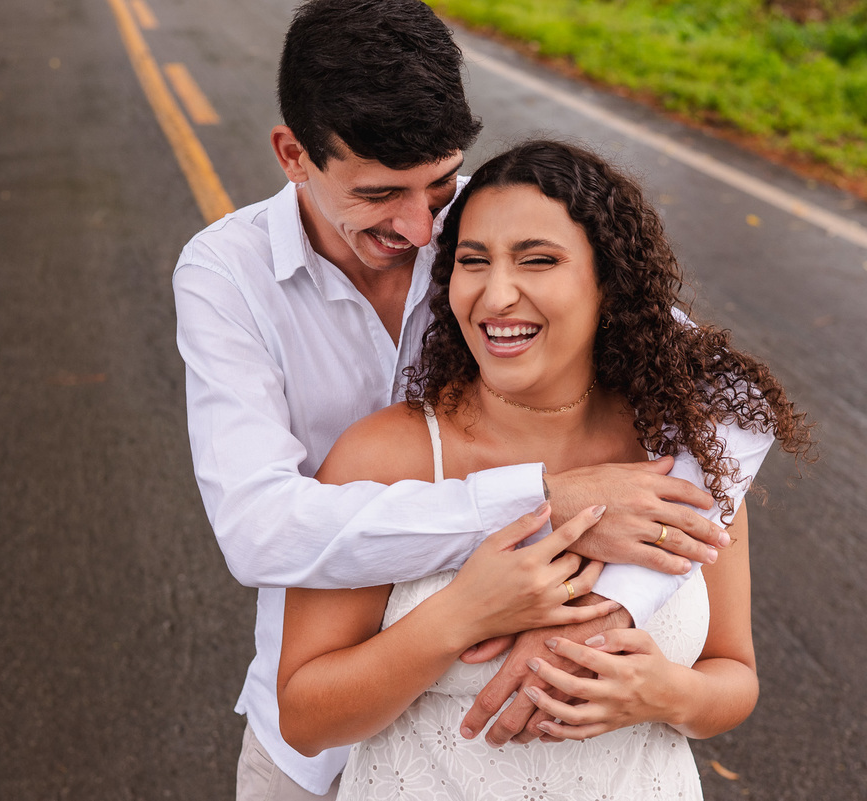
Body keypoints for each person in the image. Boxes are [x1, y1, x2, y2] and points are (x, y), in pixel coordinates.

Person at [173, 2, 736, 798]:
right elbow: (259, 529)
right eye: (379, 195)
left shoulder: (493, 231)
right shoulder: (224, 277)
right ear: (293, 155)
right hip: (311, 739)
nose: (418, 226)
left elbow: (725, 394)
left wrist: (620, 610)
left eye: (438, 184)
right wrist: (539, 500)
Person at [276, 140, 813, 799]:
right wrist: (464, 613)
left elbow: (733, 674)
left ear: (608, 286)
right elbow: (304, 719)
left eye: (539, 260)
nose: (497, 295)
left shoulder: (683, 452)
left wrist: (664, 691)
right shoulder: (386, 457)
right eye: (473, 262)